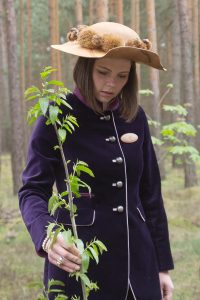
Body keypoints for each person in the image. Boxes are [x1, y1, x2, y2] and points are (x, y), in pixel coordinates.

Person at [19, 22, 174, 300]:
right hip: (78, 261)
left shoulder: (134, 117)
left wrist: (163, 266)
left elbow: (150, 195)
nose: (111, 84)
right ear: (85, 68)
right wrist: (48, 235)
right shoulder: (56, 115)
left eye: (122, 76)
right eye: (103, 72)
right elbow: (32, 190)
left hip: (139, 263)